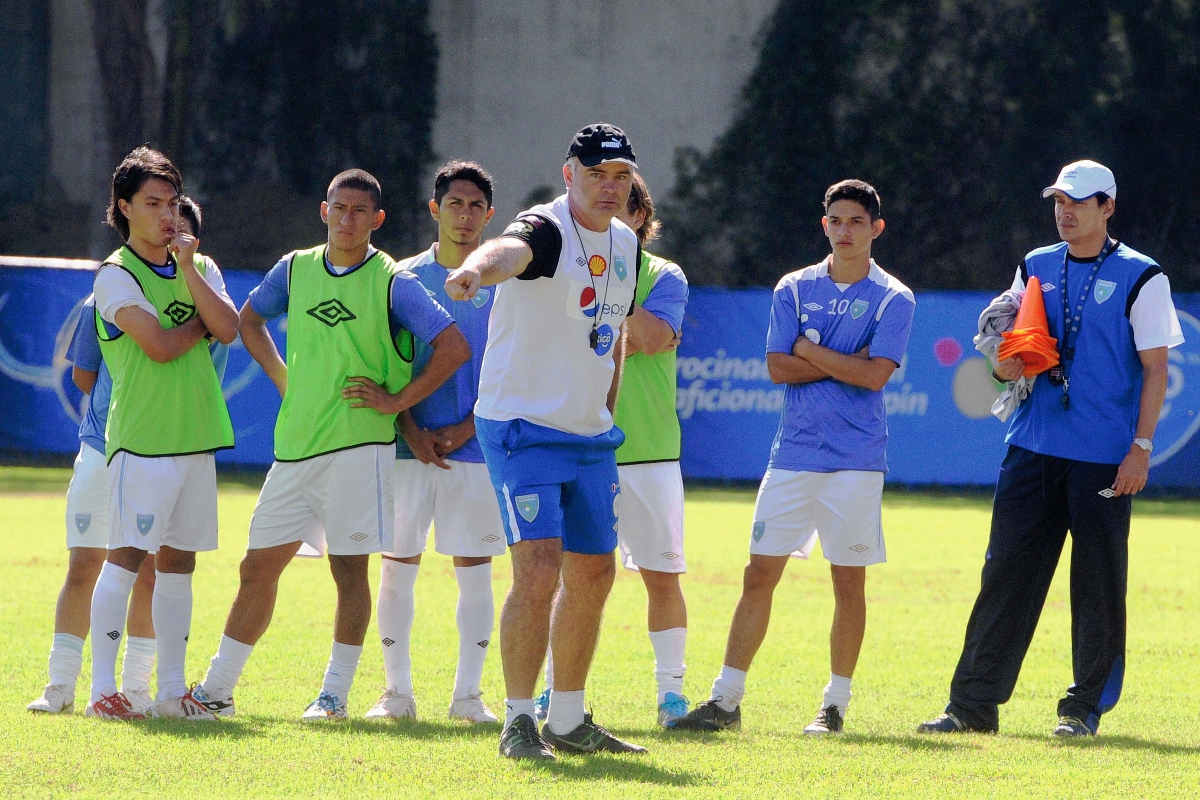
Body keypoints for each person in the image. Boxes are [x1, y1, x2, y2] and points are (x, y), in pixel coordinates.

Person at [917, 160, 1183, 737]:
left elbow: (1156, 369)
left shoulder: (1143, 275)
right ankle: (971, 707)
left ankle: (1082, 709)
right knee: (1004, 575)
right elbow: (1007, 348)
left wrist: (1141, 447)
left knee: (1097, 585)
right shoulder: (1035, 264)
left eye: (1078, 202)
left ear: (1107, 207)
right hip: (1032, 447)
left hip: (1104, 456)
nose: (1065, 211)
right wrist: (1000, 357)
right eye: (1059, 200)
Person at [192, 169, 469, 721]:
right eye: (339, 209)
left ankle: (333, 696)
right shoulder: (294, 269)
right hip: (294, 448)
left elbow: (453, 347)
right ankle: (217, 689)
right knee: (256, 568)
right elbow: (249, 321)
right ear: (324, 211)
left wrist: (395, 403)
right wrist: (281, 378)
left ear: (377, 219)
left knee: (348, 574)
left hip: (358, 450)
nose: (348, 219)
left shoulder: (393, 281)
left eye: (359, 211)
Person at [670, 179, 914, 736]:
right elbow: (778, 368)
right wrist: (841, 359)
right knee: (759, 575)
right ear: (823, 224)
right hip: (793, 457)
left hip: (856, 459)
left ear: (876, 229)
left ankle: (834, 706)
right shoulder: (794, 288)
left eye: (857, 221)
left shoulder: (894, 297)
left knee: (848, 583)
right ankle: (726, 701)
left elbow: (875, 377)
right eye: (836, 220)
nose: (845, 230)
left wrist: (810, 349)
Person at [444, 123, 647, 760]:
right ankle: (516, 720)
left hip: (588, 434)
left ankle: (567, 718)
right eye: (596, 175)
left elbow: (611, 331)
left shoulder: (625, 241)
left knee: (594, 573)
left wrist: (604, 408)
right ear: (569, 174)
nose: (609, 188)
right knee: (536, 572)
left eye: (620, 177)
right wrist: (475, 269)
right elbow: (508, 251)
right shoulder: (549, 227)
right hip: (523, 428)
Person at [87, 147, 239, 721]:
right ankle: (104, 690)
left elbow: (227, 331)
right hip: (142, 443)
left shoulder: (200, 266)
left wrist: (191, 273)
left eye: (172, 202)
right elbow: (157, 344)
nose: (167, 215)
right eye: (152, 203)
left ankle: (174, 694)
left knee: (180, 566)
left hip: (197, 439)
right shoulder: (115, 275)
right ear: (124, 208)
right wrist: (199, 322)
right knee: (125, 560)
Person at [366, 160, 504, 724]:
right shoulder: (401, 278)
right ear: (434, 209)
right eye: (455, 204)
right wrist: (410, 429)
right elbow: (383, 363)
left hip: (475, 449)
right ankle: (396, 695)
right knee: (397, 569)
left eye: (476, 206)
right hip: (407, 448)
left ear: (489, 215)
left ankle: (468, 698)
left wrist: (468, 427)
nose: (465, 216)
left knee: (475, 571)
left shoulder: (507, 283)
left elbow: (511, 366)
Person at [27, 297, 158, 716]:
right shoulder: (103, 295)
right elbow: (84, 375)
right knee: (84, 565)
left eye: (181, 226)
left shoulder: (192, 294)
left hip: (160, 452)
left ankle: (136, 686)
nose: (169, 229)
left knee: (149, 573)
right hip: (101, 447)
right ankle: (60, 684)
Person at [610, 174, 691, 726]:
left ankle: (671, 696)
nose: (617, 217)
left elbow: (649, 337)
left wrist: (598, 286)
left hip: (650, 453)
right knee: (567, 578)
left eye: (627, 208)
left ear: (643, 217)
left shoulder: (665, 275)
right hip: (580, 448)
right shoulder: (565, 268)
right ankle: (551, 694)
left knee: (661, 577)